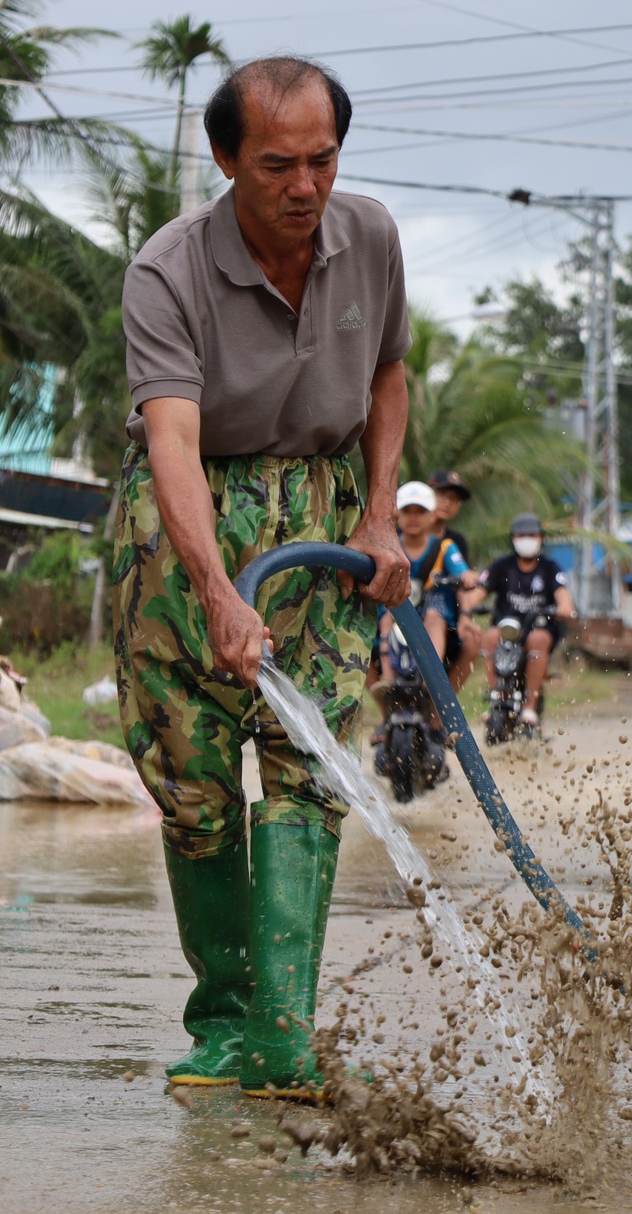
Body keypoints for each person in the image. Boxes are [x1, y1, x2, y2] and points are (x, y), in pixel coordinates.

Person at [114, 55, 413, 1100]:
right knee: (193, 778)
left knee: (310, 763)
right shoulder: (169, 268)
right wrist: (217, 588)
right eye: (278, 164)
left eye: (323, 160)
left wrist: (378, 514)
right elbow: (172, 440)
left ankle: (286, 1035)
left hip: (321, 519)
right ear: (225, 159)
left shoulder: (369, 235)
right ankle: (227, 1024)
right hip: (188, 523)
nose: (304, 187)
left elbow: (387, 370)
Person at [379, 481, 479, 689]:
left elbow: (462, 573)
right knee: (386, 619)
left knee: (435, 616)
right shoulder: (389, 547)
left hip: (433, 609)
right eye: (407, 511)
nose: (414, 517)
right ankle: (387, 683)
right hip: (398, 607)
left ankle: (431, 681)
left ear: (431, 514)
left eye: (421, 511)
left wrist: (467, 577)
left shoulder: (445, 548)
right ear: (397, 514)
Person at [480, 513, 574, 727]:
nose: (526, 539)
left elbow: (564, 600)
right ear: (513, 538)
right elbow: (476, 594)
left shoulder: (550, 568)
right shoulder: (501, 567)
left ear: (541, 537)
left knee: (538, 639)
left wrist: (564, 609)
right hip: (506, 630)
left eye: (531, 535)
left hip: (538, 628)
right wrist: (467, 605)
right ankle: (497, 698)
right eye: (521, 535)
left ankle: (530, 706)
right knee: (490, 637)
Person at [427, 468, 482, 682]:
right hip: (400, 609)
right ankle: (386, 707)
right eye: (442, 496)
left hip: (443, 613)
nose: (448, 503)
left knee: (472, 639)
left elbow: (463, 580)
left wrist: (466, 616)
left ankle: (442, 709)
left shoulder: (455, 542)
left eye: (454, 499)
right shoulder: (401, 534)